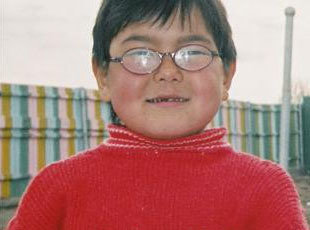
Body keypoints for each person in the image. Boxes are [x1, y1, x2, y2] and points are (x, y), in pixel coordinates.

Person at [7, 0, 309, 229]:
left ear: (227, 75)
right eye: (139, 54)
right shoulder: (57, 188)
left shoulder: (266, 190)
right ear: (102, 76)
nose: (167, 72)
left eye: (191, 52)